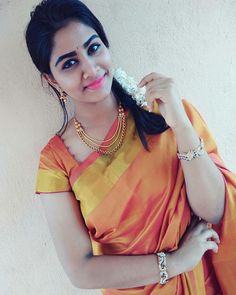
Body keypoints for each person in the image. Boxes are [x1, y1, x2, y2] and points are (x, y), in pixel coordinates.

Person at [25, 0, 236, 294]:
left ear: (106, 47)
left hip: (204, 285)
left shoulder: (163, 112)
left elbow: (214, 210)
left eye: (94, 48)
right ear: (52, 79)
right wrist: (173, 263)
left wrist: (181, 126)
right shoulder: (56, 161)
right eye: (70, 63)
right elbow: (81, 271)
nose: (90, 68)